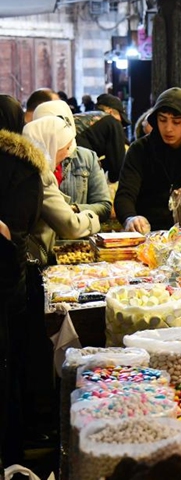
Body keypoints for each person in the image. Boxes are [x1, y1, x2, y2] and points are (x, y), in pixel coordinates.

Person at [0, 94, 46, 466]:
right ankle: (12, 452)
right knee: (9, 364)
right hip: (7, 276)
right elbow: (22, 227)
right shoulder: (24, 165)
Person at [115, 87, 181, 233]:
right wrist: (130, 218)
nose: (168, 128)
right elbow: (124, 195)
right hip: (146, 235)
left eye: (176, 122)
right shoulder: (139, 149)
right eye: (162, 120)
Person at [23, 115, 101, 264]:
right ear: (51, 145)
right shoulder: (40, 176)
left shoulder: (20, 168)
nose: (67, 154)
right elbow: (71, 227)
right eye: (65, 148)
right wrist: (91, 217)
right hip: (32, 258)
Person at [33, 100, 112, 221]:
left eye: (58, 124)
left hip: (78, 231)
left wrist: (73, 210)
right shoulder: (30, 161)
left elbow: (104, 206)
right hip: (42, 233)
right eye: (47, 125)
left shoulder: (87, 158)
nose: (54, 131)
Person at [74, 93, 129, 182]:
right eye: (121, 120)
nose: (121, 125)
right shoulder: (112, 121)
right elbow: (118, 167)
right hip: (78, 170)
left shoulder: (84, 117)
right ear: (110, 112)